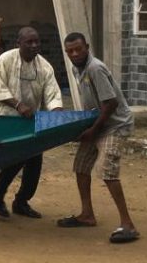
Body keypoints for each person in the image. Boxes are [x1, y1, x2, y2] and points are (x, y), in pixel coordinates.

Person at [58, 32, 139, 243]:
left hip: (114, 125)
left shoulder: (95, 68)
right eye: (70, 51)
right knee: (81, 166)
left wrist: (93, 131)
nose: (74, 54)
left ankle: (128, 224)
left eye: (78, 49)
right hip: (96, 124)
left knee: (106, 169)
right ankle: (87, 215)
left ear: (87, 46)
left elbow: (110, 104)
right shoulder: (78, 69)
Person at [0, 26, 63, 219]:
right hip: (6, 116)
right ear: (18, 44)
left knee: (35, 158)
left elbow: (53, 96)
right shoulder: (5, 60)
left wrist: (57, 115)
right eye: (29, 42)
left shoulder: (45, 67)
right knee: (18, 156)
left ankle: (21, 201)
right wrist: (18, 105)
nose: (34, 45)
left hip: (31, 117)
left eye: (37, 41)